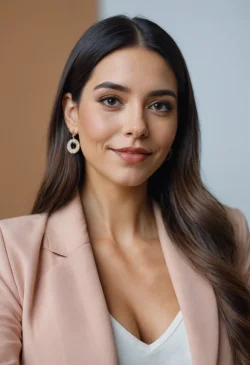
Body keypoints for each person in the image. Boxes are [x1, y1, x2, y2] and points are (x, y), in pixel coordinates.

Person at [0, 14, 249, 365]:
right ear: (72, 113)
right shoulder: (11, 257)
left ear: (179, 122)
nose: (137, 126)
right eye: (112, 100)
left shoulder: (228, 236)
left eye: (159, 105)